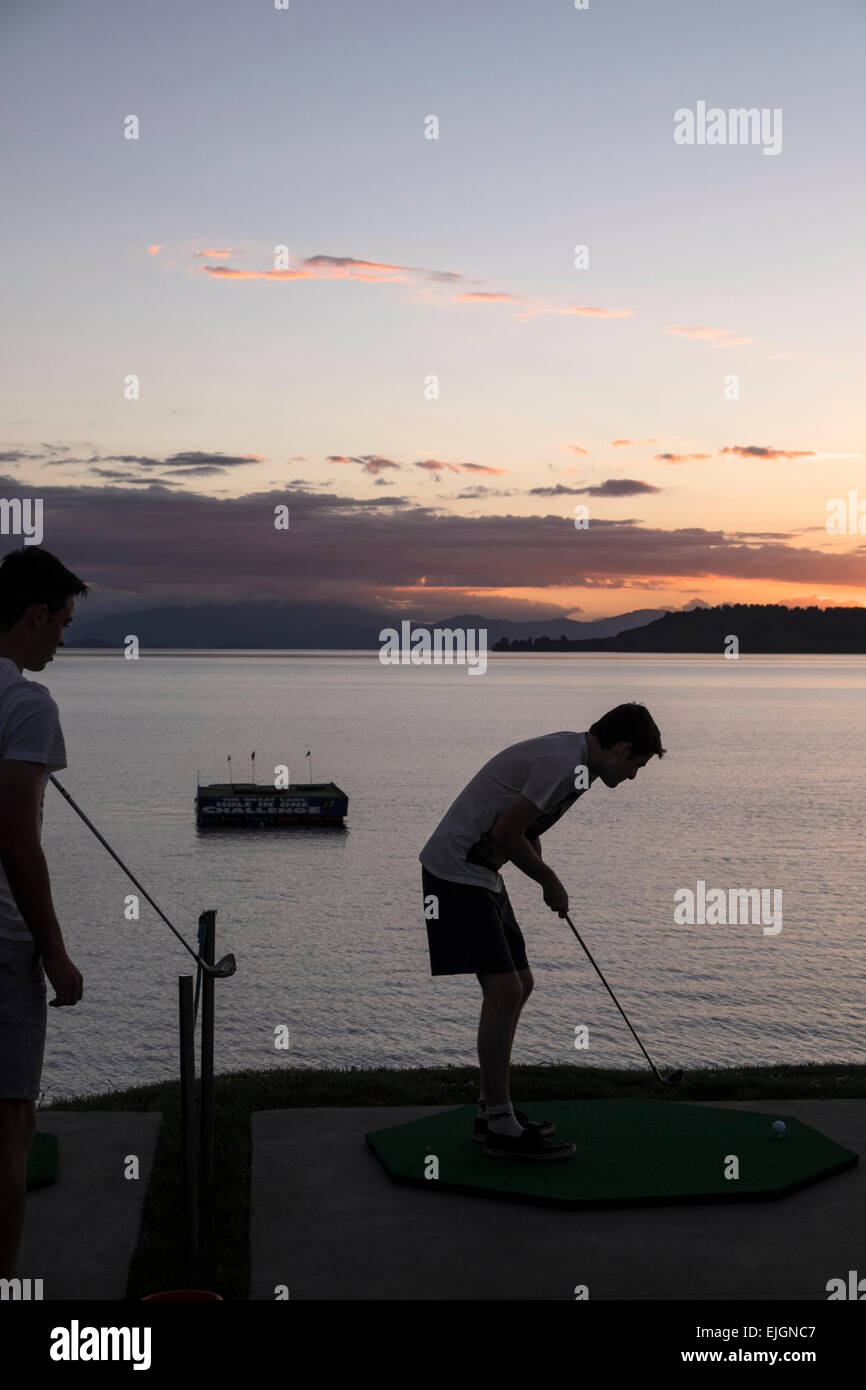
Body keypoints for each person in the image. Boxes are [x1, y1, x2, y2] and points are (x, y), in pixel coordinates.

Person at [419, 702, 665, 1161]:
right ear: (624, 749)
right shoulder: (565, 763)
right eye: (637, 765)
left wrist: (542, 871)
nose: (634, 776)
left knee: (520, 984)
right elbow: (507, 830)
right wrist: (549, 881)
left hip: (481, 871)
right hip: (456, 871)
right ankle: (499, 1124)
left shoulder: (577, 763)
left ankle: (489, 1111)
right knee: (504, 991)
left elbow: (525, 825)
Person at [0, 546, 88, 1276]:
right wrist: (54, 950)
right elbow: (18, 844)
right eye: (61, 621)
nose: (64, 637)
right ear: (34, 616)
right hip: (3, 948)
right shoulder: (26, 703)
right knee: (10, 1125)